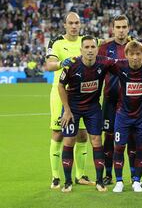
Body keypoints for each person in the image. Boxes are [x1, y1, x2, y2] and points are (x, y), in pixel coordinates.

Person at [58, 35, 116, 192]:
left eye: (93, 47)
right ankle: (68, 182)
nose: (90, 50)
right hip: (72, 108)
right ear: (81, 49)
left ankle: (99, 181)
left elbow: (122, 65)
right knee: (69, 141)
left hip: (92, 108)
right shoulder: (72, 65)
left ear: (97, 49)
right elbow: (61, 86)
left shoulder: (104, 62)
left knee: (97, 141)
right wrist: (67, 110)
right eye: (87, 47)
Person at [46, 12, 94, 189]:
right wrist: (61, 63)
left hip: (82, 97)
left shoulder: (85, 41)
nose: (74, 26)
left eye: (77, 23)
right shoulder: (56, 42)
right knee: (58, 134)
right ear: (65, 25)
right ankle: (56, 176)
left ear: (80, 24)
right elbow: (49, 65)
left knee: (82, 135)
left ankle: (80, 175)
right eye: (70, 23)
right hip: (61, 94)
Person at [111, 41, 142, 193]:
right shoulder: (119, 66)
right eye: (132, 54)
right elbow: (101, 64)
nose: (135, 57)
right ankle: (119, 181)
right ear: (126, 56)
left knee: (140, 147)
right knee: (119, 147)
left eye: (139, 54)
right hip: (122, 115)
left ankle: (137, 180)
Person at [98, 15, 136, 185]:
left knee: (133, 138)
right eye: (118, 27)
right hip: (110, 99)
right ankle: (108, 174)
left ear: (128, 28)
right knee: (109, 136)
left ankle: (135, 176)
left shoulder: (135, 47)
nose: (121, 30)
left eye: (124, 27)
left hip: (131, 101)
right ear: (113, 29)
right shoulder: (104, 48)